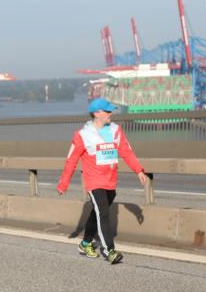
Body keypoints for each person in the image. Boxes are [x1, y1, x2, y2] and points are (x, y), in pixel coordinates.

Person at [56, 98, 148, 265]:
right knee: (103, 213)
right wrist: (64, 184)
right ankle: (109, 251)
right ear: (97, 113)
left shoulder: (115, 130)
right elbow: (71, 160)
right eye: (107, 111)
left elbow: (126, 152)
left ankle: (85, 244)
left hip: (110, 181)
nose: (111, 113)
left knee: (98, 212)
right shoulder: (82, 135)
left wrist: (139, 170)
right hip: (94, 181)